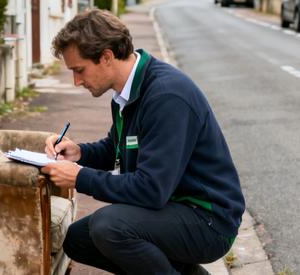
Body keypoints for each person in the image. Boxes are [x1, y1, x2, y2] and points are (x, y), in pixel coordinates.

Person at [40, 9, 245, 275]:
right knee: (78, 240)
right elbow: (118, 146)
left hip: (209, 219)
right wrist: (79, 153)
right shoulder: (128, 91)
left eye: (79, 70)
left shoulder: (167, 96)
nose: (77, 81)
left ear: (106, 57)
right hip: (175, 207)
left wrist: (80, 178)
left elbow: (151, 189)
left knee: (110, 226)